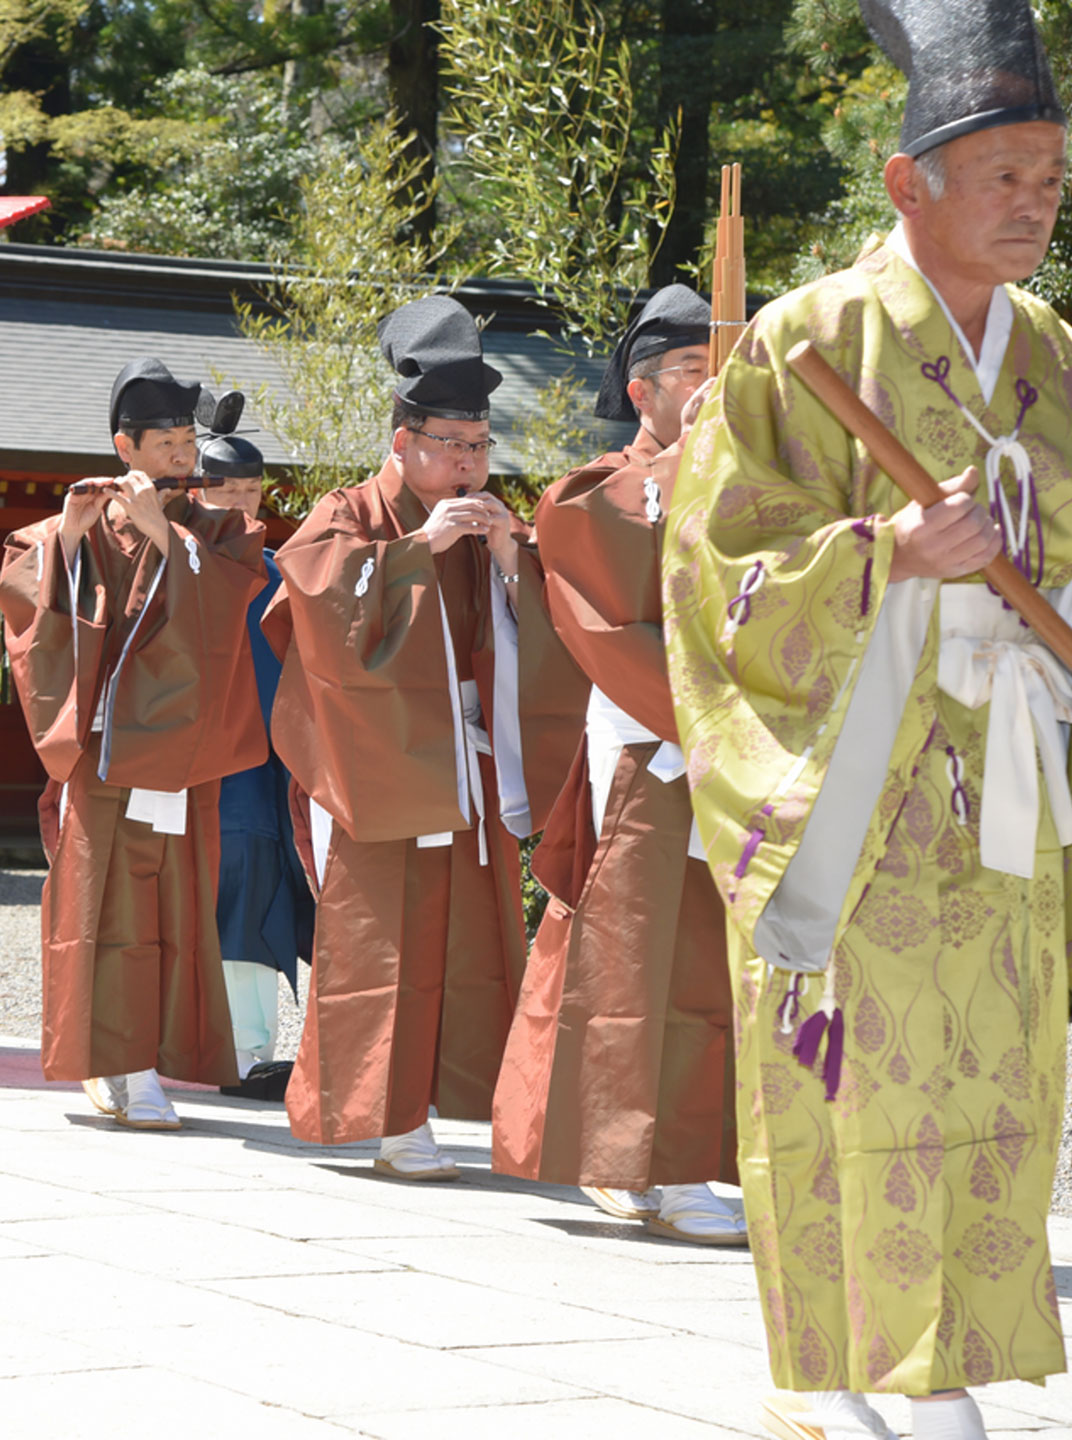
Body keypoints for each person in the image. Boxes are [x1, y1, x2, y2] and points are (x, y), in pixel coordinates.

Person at [663, 1, 1070, 1432]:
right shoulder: (807, 338)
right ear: (912, 182)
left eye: (1049, 173)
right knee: (863, 1072)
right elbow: (712, 569)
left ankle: (936, 1360)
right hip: (864, 766)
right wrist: (886, 554)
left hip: (1016, 761)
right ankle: (866, 1379)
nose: (1035, 200)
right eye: (1005, 171)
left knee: (996, 1073)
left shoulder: (1057, 354)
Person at [261, 296, 582, 1180]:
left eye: (480, 447)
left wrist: (516, 560)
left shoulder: (488, 520)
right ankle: (384, 1117)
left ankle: (461, 1105)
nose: (470, 464)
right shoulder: (351, 513)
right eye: (452, 445)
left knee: (468, 942)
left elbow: (545, 638)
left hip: (469, 771)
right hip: (379, 767)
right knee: (380, 942)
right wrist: (413, 553)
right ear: (402, 441)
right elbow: (313, 606)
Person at [490, 285, 743, 1245]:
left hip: (734, 747)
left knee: (706, 960)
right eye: (691, 370)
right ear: (642, 392)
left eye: (722, 367)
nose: (713, 385)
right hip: (650, 743)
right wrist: (682, 470)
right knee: (633, 956)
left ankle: (672, 1162)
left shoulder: (751, 483)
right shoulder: (604, 486)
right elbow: (582, 559)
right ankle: (635, 1164)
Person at [0, 358, 269, 1130]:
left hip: (181, 758)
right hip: (105, 757)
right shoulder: (72, 520)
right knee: (105, 908)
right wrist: (74, 542)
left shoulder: (217, 527)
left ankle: (148, 1058)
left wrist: (163, 534)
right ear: (127, 445)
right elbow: (29, 606)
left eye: (189, 438)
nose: (186, 454)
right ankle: (115, 1061)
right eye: (169, 440)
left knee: (173, 911)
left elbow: (227, 607)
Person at [192, 433, 314, 1097]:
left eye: (250, 490)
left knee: (249, 898)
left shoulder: (280, 572)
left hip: (256, 773)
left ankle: (244, 1052)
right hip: (179, 764)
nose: (242, 504)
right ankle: (167, 1040)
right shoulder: (175, 563)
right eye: (225, 490)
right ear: (197, 494)